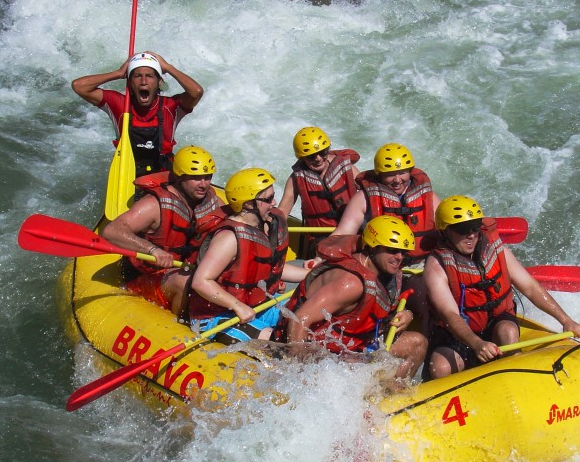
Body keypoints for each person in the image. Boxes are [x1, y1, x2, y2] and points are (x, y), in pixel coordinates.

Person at [424, 195, 580, 379]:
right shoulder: (435, 266)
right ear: (445, 231)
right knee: (440, 367)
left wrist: (565, 320)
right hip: (457, 335)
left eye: (475, 228)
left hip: (495, 324)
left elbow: (530, 287)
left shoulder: (495, 249)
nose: (471, 235)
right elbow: (450, 315)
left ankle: (515, 378)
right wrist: (477, 343)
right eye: (462, 230)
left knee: (508, 331)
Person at [274, 216, 427, 381]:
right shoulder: (351, 283)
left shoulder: (382, 272)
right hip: (321, 355)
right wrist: (296, 372)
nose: (399, 257)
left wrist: (406, 314)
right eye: (391, 250)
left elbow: (374, 308)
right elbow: (300, 320)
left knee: (417, 344)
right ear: (372, 247)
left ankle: (390, 397)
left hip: (354, 349)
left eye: (403, 253)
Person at [189, 168, 309, 341]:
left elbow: (269, 269)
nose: (274, 202)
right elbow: (201, 282)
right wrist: (237, 306)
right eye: (267, 199)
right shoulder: (229, 238)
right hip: (216, 315)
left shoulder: (261, 228)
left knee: (305, 320)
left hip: (256, 305)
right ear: (248, 204)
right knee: (276, 341)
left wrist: (311, 275)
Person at [101, 146, 224, 316]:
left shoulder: (212, 201)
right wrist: (152, 250)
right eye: (196, 178)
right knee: (184, 281)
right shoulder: (154, 205)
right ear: (180, 177)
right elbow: (111, 231)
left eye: (207, 177)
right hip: (145, 278)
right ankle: (181, 324)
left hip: (184, 269)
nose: (203, 184)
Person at [71, 52, 204, 177]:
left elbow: (196, 92)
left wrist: (168, 67)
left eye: (150, 76)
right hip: (128, 174)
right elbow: (79, 86)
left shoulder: (170, 107)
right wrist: (117, 73)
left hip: (163, 175)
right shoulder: (119, 104)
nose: (144, 81)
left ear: (159, 83)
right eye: (137, 76)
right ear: (129, 83)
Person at [331, 142, 440, 263]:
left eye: (402, 173)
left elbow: (449, 232)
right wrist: (321, 257)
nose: (397, 180)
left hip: (420, 265)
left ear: (410, 172)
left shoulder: (428, 196)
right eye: (390, 175)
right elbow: (343, 233)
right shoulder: (363, 198)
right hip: (380, 265)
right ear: (380, 174)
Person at [277, 127, 361, 257]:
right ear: (302, 158)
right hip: (321, 237)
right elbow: (283, 210)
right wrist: (269, 229)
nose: (318, 159)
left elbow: (369, 194)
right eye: (311, 156)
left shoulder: (346, 167)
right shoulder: (296, 178)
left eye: (323, 152)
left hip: (351, 231)